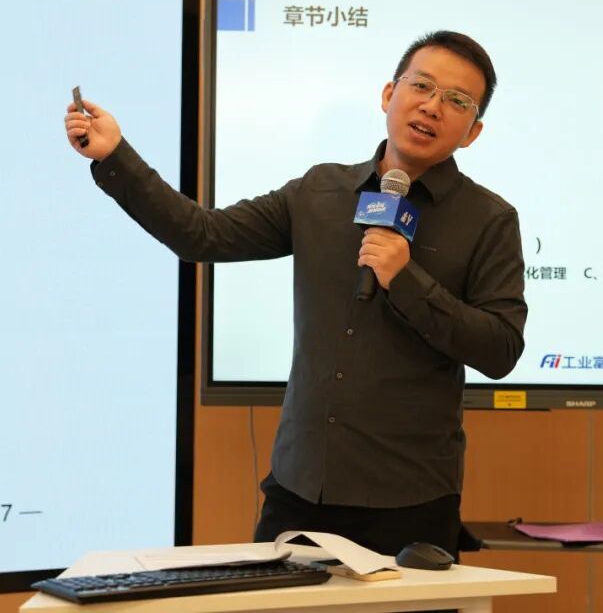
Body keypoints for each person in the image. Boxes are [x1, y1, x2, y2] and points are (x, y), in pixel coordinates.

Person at [64, 30, 526, 558]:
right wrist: (115, 156)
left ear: (473, 132)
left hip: (410, 501)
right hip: (299, 490)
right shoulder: (318, 192)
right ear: (388, 94)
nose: (432, 106)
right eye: (421, 85)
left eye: (457, 100)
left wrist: (407, 280)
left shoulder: (489, 220)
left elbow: (500, 348)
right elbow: (201, 235)